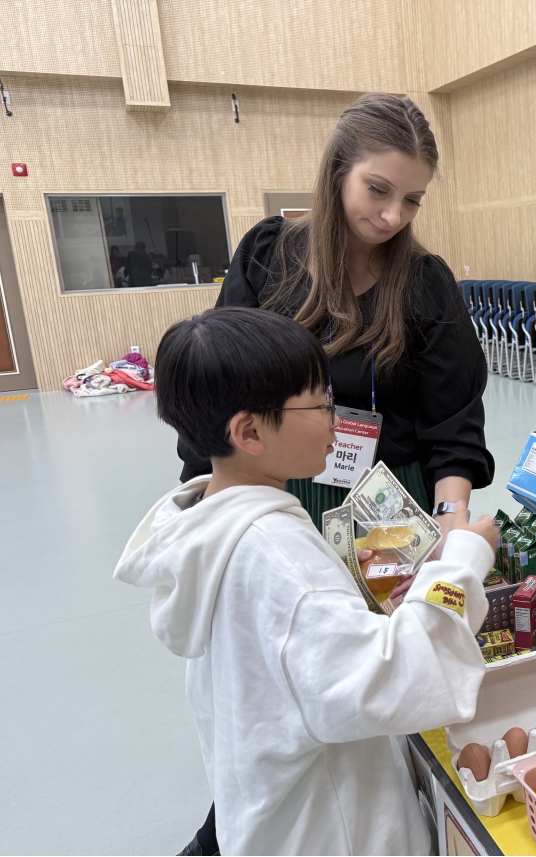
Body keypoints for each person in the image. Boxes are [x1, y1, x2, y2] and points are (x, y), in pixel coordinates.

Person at [115, 307, 496, 855]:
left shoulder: (211, 528)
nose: (336, 418)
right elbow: (401, 680)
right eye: (320, 403)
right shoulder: (280, 560)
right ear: (249, 431)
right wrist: (462, 560)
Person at [178, 92, 492, 538]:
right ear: (338, 171)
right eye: (378, 189)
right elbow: (217, 386)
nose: (393, 216)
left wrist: (448, 518)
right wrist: (202, 499)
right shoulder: (267, 255)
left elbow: (454, 423)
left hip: (389, 500)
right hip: (276, 493)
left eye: (412, 200)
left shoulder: (425, 282)